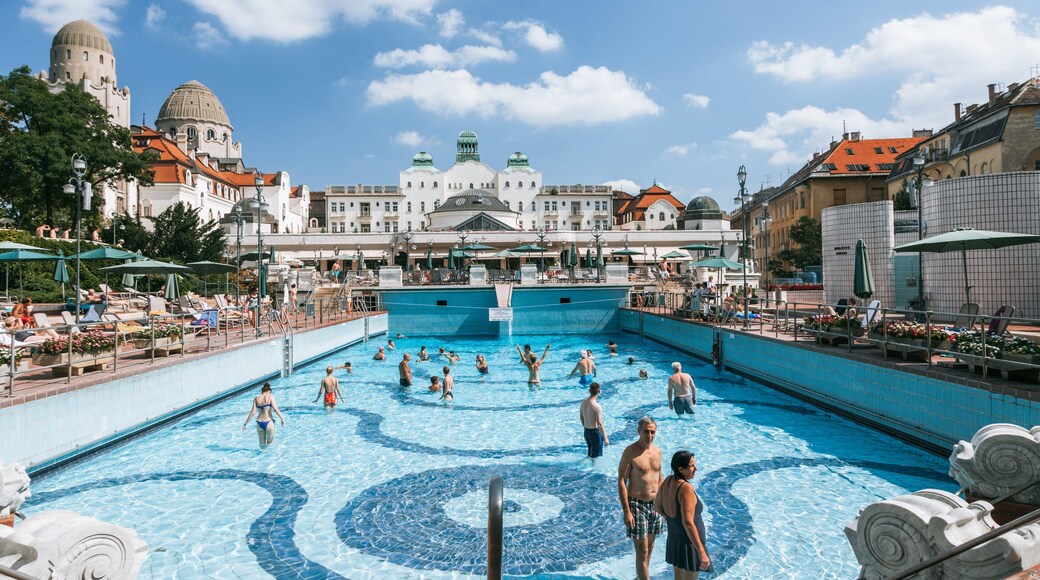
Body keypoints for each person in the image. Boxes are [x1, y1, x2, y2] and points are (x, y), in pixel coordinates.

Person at [618, 416, 664, 580]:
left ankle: (641, 577)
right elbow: (622, 481)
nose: (649, 436)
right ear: (639, 431)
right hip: (637, 506)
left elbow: (660, 478)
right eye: (646, 432)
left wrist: (666, 503)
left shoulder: (658, 451)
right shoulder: (630, 452)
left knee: (650, 546)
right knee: (641, 549)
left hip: (656, 505)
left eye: (652, 432)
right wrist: (627, 512)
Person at [654, 450, 712, 577]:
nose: (695, 469)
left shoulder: (668, 481)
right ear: (681, 469)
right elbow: (688, 522)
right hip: (690, 544)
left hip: (676, 540)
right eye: (691, 466)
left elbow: (657, 506)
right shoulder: (686, 488)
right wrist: (701, 552)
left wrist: (674, 521)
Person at [242, 382, 285, 450]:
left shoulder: (256, 398)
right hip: (268, 422)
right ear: (269, 391)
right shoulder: (271, 397)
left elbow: (252, 413)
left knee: (262, 445)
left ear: (262, 391)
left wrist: (245, 424)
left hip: (259, 423)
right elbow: (275, 409)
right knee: (269, 444)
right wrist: (282, 418)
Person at [580, 382, 609, 458]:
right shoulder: (596, 406)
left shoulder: (583, 403)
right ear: (599, 391)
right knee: (596, 457)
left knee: (590, 453)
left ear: (589, 390)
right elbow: (599, 424)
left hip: (586, 432)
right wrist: (605, 438)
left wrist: (586, 427)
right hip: (595, 433)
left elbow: (581, 418)